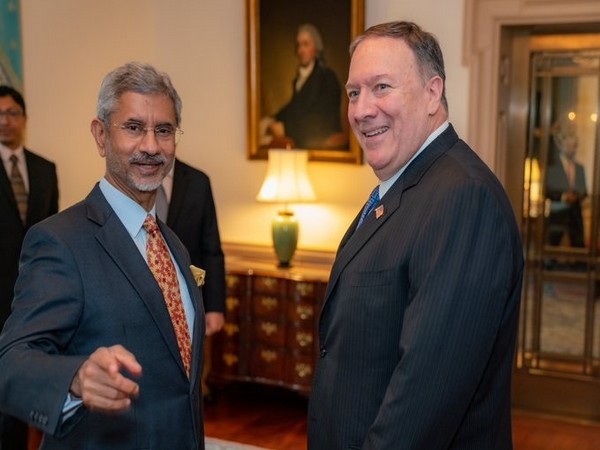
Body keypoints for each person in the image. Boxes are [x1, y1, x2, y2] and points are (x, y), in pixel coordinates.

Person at [307, 21, 524, 449]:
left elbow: (424, 396)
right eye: (354, 93)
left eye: (381, 87)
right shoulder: (407, 187)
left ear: (432, 93)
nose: (361, 110)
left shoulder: (463, 198)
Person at [0, 62, 205, 449]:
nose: (150, 146)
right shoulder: (59, 241)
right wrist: (75, 378)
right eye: (133, 128)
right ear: (100, 136)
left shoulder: (172, 244)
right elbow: (10, 363)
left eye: (163, 130)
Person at [0, 85, 58, 450]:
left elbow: (54, 233)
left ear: (24, 119)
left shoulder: (45, 169)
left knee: (31, 385)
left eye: (12, 113)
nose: (5, 121)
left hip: (37, 297)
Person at [156, 158, 226, 400]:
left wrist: (215, 307)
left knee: (189, 383)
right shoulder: (132, 177)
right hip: (144, 296)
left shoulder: (198, 182)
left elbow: (211, 248)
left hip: (186, 298)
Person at [267, 23, 345, 149]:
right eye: (298, 45)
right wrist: (272, 119)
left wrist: (286, 129)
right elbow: (294, 107)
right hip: (302, 139)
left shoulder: (327, 77)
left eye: (305, 44)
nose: (300, 51)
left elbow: (322, 121)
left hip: (322, 143)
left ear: (316, 47)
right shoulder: (299, 78)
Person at [545, 115, 587, 248]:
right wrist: (563, 197)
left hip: (575, 218)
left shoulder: (579, 168)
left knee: (578, 249)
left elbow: (584, 190)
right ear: (560, 144)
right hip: (557, 217)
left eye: (574, 145)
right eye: (569, 145)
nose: (573, 149)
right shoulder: (552, 167)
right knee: (552, 249)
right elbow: (547, 190)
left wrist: (576, 196)